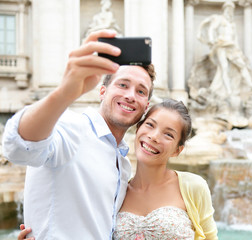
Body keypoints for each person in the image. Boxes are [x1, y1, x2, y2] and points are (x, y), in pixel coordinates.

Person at [2, 29, 155, 239]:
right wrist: (66, 91)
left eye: (140, 91)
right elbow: (18, 148)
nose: (130, 95)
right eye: (122, 84)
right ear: (103, 91)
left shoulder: (123, 163)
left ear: (146, 105)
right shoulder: (71, 126)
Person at [17, 99, 219, 240]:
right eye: (150, 125)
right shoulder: (118, 188)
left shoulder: (193, 187)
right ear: (138, 129)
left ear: (178, 150)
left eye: (168, 134)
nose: (154, 136)